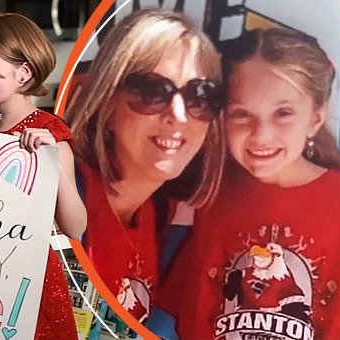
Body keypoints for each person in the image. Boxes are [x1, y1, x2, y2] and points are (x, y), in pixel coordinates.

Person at [156, 28, 340, 339]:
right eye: (242, 115)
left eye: (283, 113)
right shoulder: (212, 193)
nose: (261, 135)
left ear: (315, 118)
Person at [63, 9, 225, 324]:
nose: (179, 115)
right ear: (106, 104)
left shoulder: (157, 213)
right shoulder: (62, 195)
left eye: (199, 96)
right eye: (152, 91)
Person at [0, 13, 87, 339]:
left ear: (23, 72)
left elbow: (76, 226)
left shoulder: (50, 133)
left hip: (27, 284)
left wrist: (51, 161)